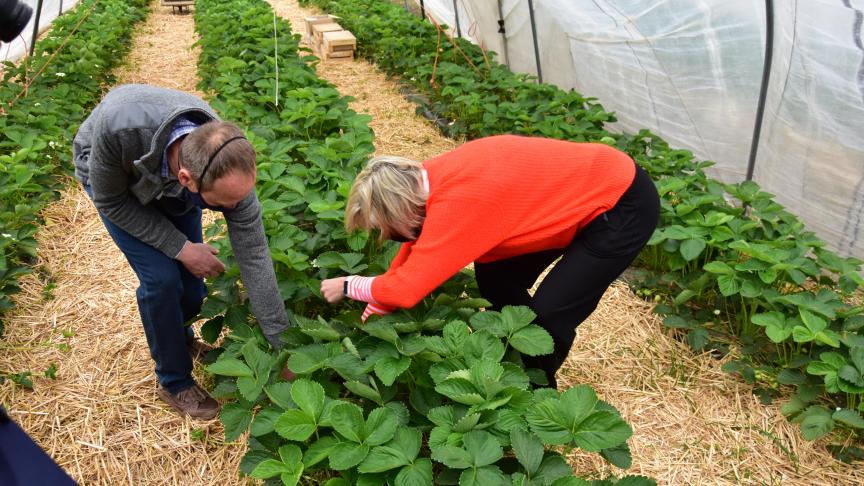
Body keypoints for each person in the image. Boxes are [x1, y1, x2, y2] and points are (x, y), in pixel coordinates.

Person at [320, 135, 660, 388]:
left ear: (399, 206)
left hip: (619, 204)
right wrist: (378, 304)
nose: (387, 238)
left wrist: (351, 286)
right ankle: (509, 355)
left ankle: (536, 390)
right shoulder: (427, 181)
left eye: (385, 229)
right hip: (570, 196)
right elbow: (417, 248)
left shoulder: (463, 198)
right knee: (495, 274)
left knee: (550, 314)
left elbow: (408, 289)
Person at [73, 84, 290, 419]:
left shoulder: (225, 164)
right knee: (162, 280)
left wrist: (283, 344)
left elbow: (255, 258)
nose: (236, 208)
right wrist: (182, 248)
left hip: (170, 181)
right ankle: (174, 381)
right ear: (187, 179)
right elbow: (111, 201)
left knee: (191, 285)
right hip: (115, 181)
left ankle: (182, 337)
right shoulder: (120, 128)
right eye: (224, 204)